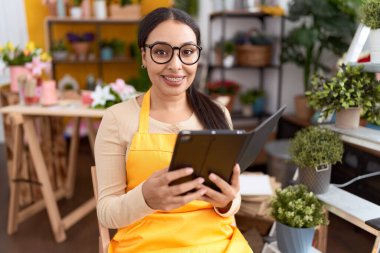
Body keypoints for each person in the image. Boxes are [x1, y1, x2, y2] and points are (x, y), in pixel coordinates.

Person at [94, 7, 253, 253]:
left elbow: (233, 194)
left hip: (216, 243)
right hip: (145, 245)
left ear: (197, 56)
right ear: (144, 57)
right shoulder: (117, 118)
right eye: (161, 52)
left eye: (187, 52)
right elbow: (106, 214)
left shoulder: (218, 114)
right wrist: (145, 198)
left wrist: (227, 201)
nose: (176, 65)